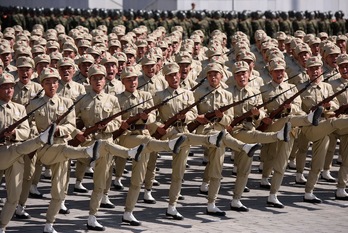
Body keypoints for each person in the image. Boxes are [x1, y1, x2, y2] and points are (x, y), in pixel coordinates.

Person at [26, 67, 101, 233]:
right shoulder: (34, 104)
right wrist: (39, 134)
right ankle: (86, 153)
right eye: (47, 82)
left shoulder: (66, 103)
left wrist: (59, 130)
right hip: (43, 148)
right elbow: (29, 124)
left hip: (61, 146)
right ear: (42, 84)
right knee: (27, 180)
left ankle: (49, 224)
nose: (52, 85)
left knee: (59, 191)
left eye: (54, 82)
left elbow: (71, 125)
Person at [154, 62, 225, 219]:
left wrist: (185, 117)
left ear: (180, 75)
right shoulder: (159, 95)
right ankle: (210, 139)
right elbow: (153, 117)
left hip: (184, 132)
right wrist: (159, 127)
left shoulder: (187, 94)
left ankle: (172, 206)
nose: (174, 78)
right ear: (166, 78)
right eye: (170, 75)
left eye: (176, 74)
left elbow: (194, 113)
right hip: (170, 133)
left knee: (179, 173)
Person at [117, 66, 186, 226]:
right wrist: (126, 122)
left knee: (138, 178)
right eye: (128, 79)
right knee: (147, 142)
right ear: (123, 82)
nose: (132, 82)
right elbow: (117, 121)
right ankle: (168, 145)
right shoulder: (118, 98)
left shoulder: (146, 96)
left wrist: (146, 118)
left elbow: (153, 117)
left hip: (144, 136)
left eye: (134, 79)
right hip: (128, 137)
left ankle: (128, 213)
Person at [194, 62, 261, 216]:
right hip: (205, 132)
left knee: (218, 166)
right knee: (219, 153)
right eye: (210, 74)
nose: (212, 77)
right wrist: (199, 117)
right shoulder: (198, 93)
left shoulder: (227, 95)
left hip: (222, 134)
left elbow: (229, 119)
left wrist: (222, 117)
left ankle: (222, 202)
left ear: (221, 76)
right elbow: (192, 114)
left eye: (216, 74)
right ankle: (244, 146)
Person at [0, 72, 55, 233]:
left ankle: (2, 226)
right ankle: (41, 140)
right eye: (4, 87)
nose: (8, 91)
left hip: (15, 153)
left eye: (10, 87)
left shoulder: (19, 108)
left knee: (14, 196)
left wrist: (15, 134)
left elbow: (25, 130)